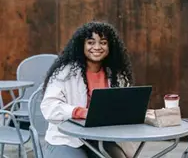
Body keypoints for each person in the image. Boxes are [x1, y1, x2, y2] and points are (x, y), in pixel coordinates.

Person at [40, 21, 137, 158]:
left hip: (103, 138)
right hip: (66, 139)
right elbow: (49, 107)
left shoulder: (117, 75)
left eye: (103, 42)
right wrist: (79, 112)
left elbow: (123, 106)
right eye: (91, 42)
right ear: (82, 45)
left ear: (110, 46)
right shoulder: (65, 72)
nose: (97, 47)